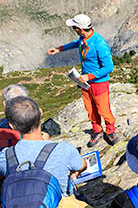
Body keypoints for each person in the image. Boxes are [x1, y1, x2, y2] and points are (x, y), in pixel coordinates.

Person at [47, 13, 117, 146]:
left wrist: (88, 76)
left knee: (103, 109)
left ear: (80, 29)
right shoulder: (83, 38)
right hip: (86, 83)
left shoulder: (99, 44)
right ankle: (97, 131)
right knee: (90, 109)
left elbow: (109, 67)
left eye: (74, 27)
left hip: (99, 83)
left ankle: (110, 130)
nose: (73, 29)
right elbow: (76, 43)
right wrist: (59, 49)